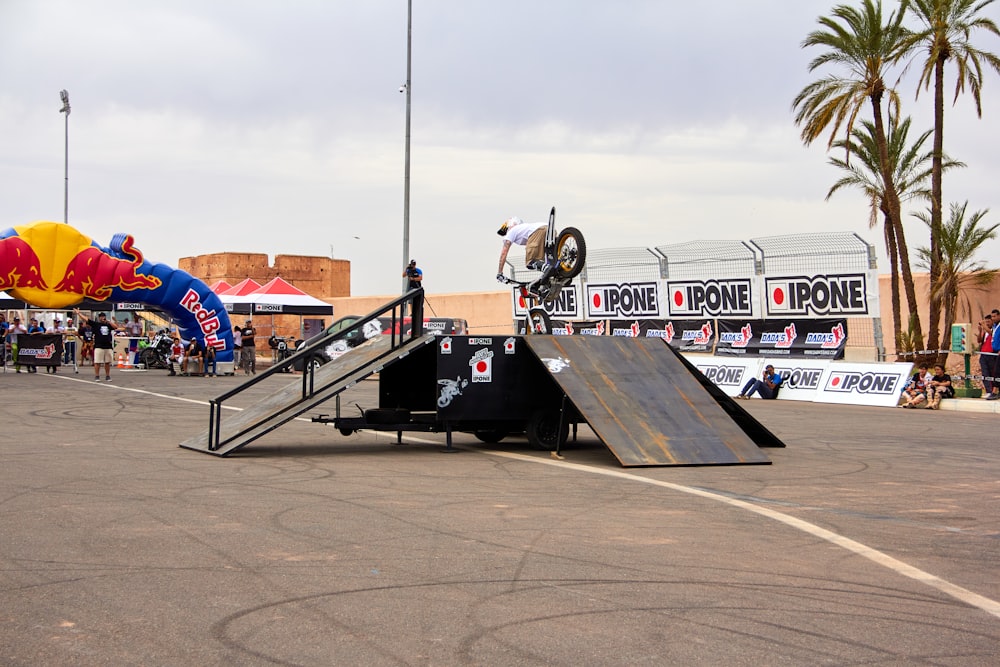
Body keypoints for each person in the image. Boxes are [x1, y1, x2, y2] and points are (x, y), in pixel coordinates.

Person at [496, 216, 549, 282]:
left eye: (506, 230)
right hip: (549, 229)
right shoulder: (524, 229)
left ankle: (547, 269)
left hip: (538, 231)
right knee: (547, 258)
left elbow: (504, 252)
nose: (506, 233)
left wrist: (499, 272)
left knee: (530, 262)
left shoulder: (512, 231)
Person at [74, 309, 119, 381]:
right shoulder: (96, 324)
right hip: (99, 345)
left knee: (107, 362)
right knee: (97, 362)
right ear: (99, 318)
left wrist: (109, 321)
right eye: (101, 317)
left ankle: (107, 376)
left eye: (103, 316)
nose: (102, 318)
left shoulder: (108, 325)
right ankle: (97, 376)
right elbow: (86, 319)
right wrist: (79, 313)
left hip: (107, 346)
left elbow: (115, 327)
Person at [987, 309, 1000, 401]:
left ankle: (995, 392)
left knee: (997, 372)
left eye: (995, 316)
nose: (993, 318)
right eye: (992, 316)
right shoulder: (995, 326)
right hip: (994, 352)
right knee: (994, 371)